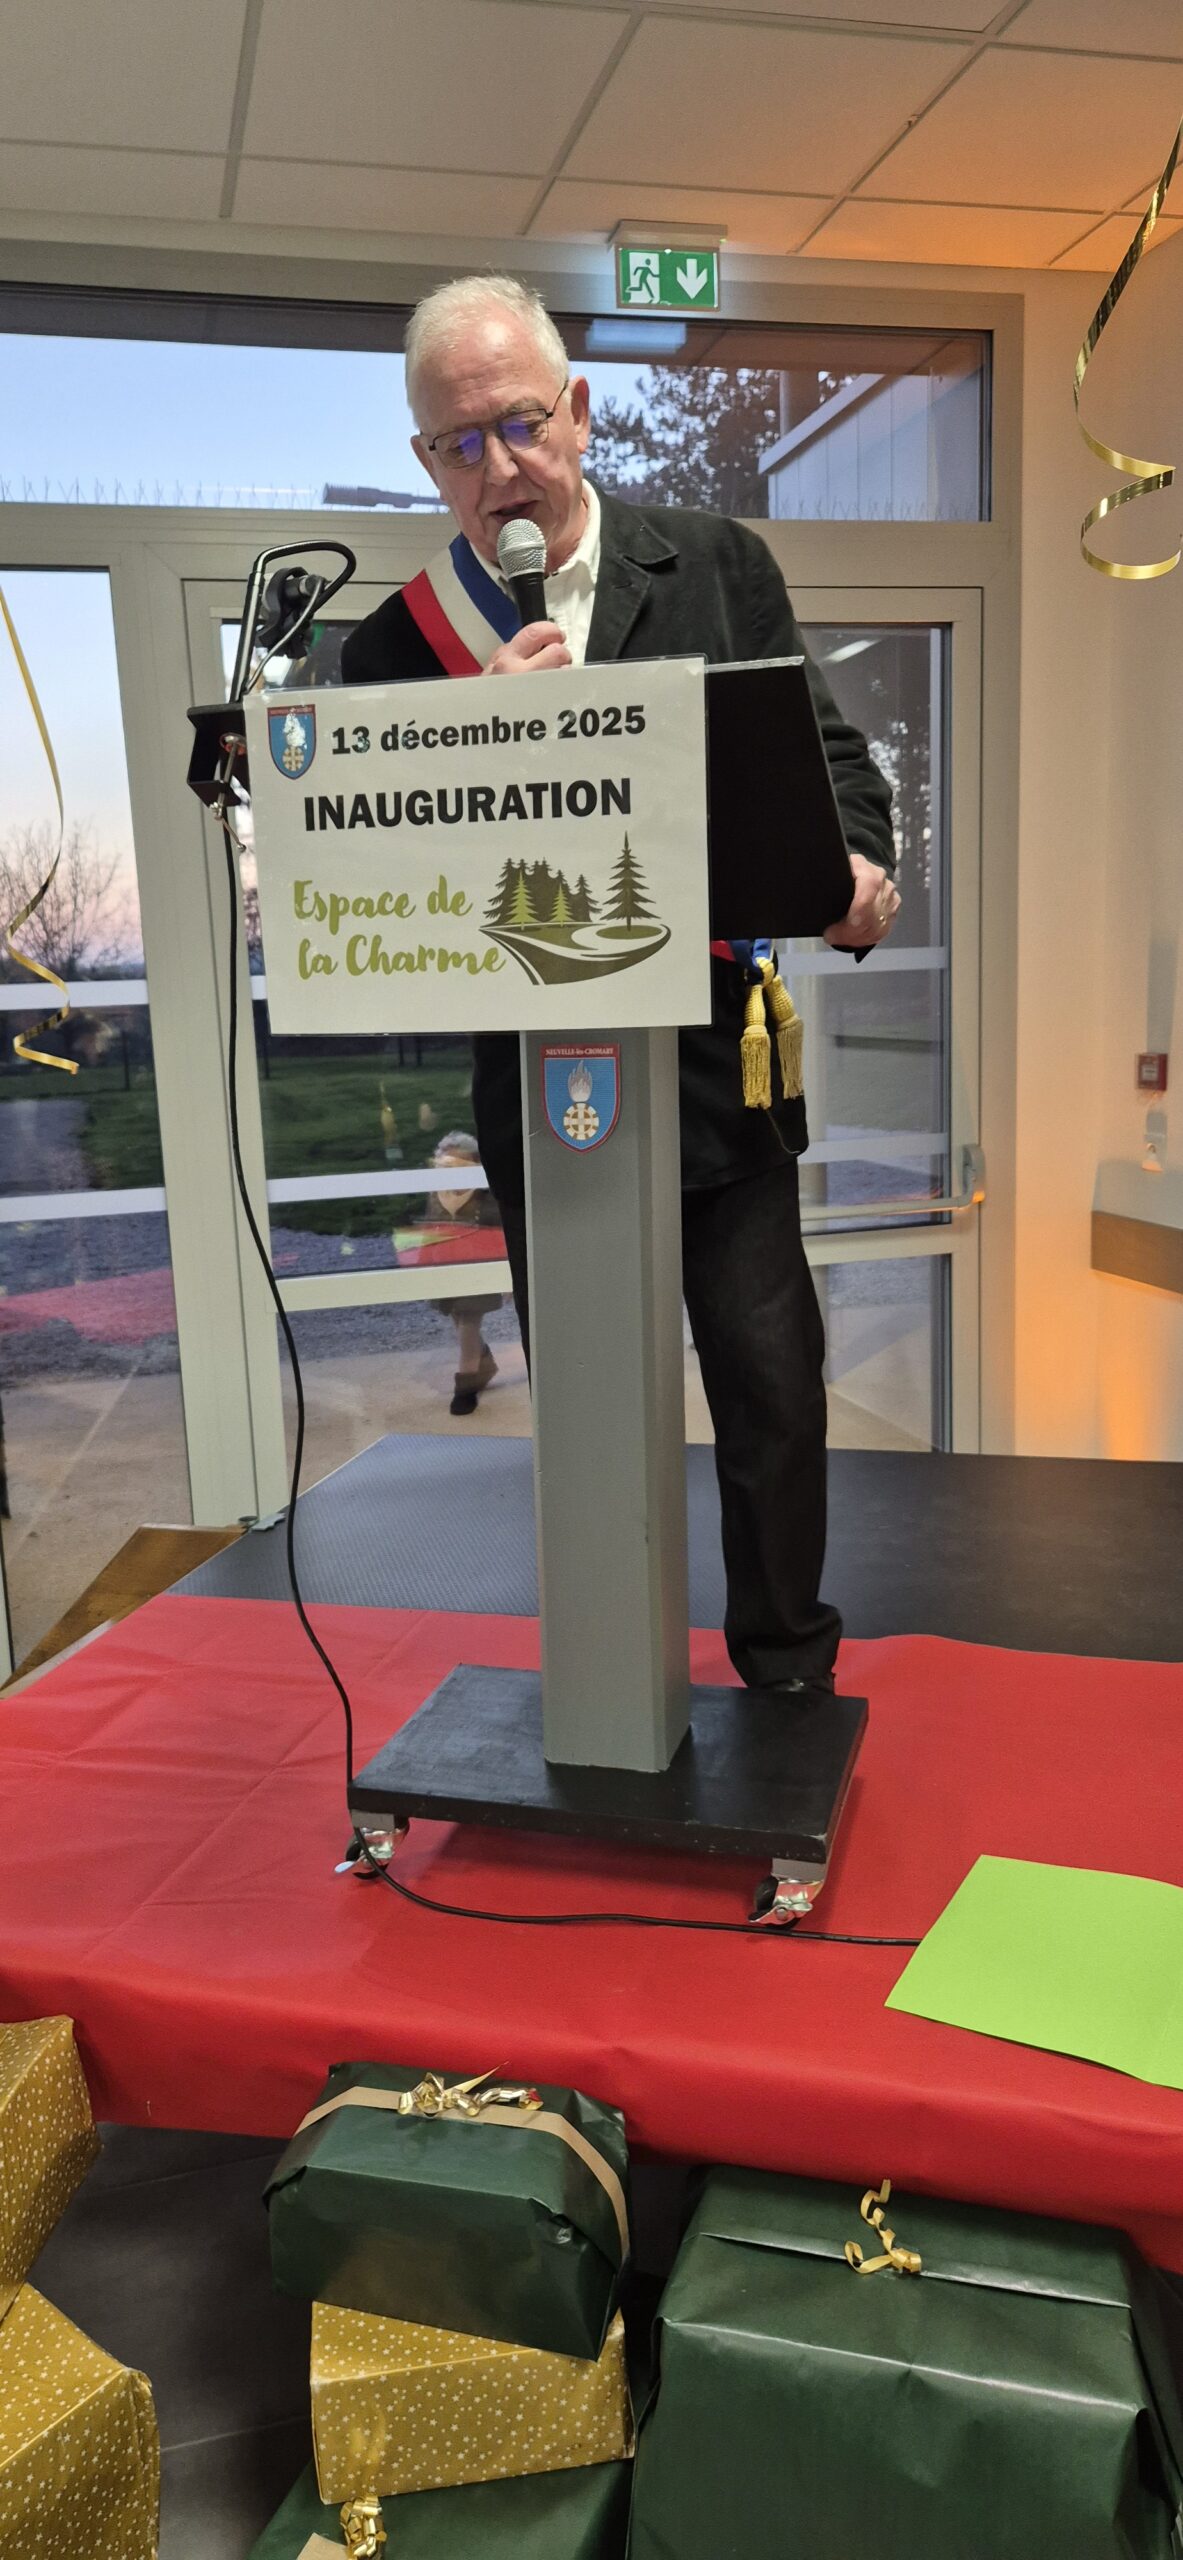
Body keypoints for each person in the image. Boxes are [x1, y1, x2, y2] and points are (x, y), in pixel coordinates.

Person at [342, 275, 899, 1696]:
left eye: (520, 425)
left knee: (771, 1392)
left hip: (717, 1074)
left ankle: (786, 1668)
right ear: (425, 460)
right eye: (458, 444)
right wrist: (471, 759)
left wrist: (856, 870)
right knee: (590, 1402)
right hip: (546, 1096)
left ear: (578, 412)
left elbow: (832, 764)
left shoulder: (713, 564)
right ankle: (606, 1676)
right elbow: (386, 891)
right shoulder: (395, 650)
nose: (498, 469)